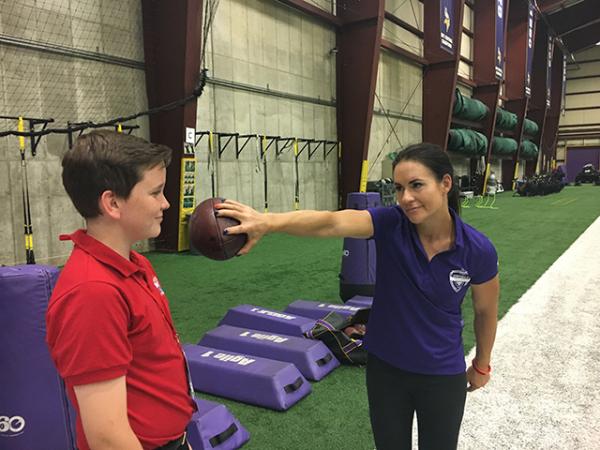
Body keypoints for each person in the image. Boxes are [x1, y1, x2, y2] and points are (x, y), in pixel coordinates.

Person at [216, 143, 499, 450]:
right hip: (386, 372)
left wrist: (482, 364)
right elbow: (332, 221)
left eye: (417, 185)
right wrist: (268, 222)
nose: (405, 198)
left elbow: (485, 311)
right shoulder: (391, 224)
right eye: (400, 187)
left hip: (443, 375)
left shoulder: (477, 250)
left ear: (445, 183)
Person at [46, 131, 195, 450]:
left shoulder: (136, 263)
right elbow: (107, 436)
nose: (166, 203)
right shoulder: (93, 292)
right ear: (112, 202)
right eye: (155, 193)